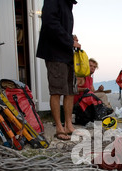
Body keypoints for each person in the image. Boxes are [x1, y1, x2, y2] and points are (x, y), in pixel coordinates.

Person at [36, 0, 80, 141]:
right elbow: (50, 23)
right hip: (54, 53)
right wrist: (69, 40)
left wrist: (70, 37)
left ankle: (68, 125)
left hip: (66, 53)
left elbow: (60, 25)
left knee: (70, 91)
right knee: (56, 90)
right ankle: (59, 128)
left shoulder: (68, 4)